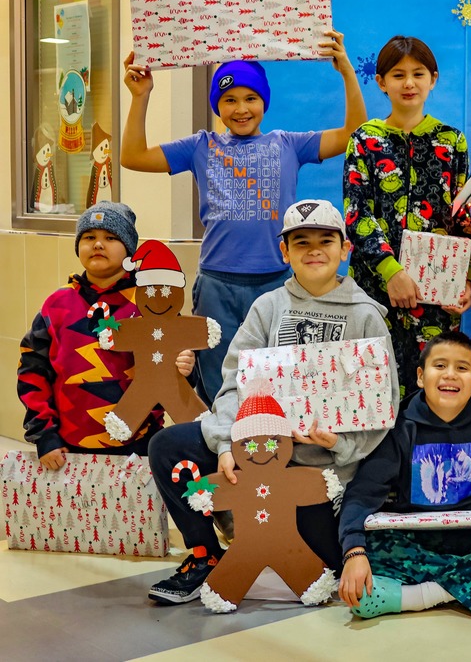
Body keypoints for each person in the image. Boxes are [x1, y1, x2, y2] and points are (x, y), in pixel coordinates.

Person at [146, 199, 397, 605]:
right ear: (285, 252)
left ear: (344, 249)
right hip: (257, 452)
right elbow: (233, 384)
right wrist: (227, 445)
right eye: (301, 242)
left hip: (320, 470)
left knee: (326, 566)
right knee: (168, 446)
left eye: (325, 240)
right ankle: (204, 555)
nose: (314, 250)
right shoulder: (267, 309)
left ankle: (268, 531)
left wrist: (340, 446)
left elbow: (381, 403)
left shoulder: (365, 316)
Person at [120, 31, 368, 405]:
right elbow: (133, 156)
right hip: (217, 285)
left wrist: (347, 72)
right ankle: (224, 456)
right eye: (229, 100)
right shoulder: (201, 146)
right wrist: (141, 97)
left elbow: (354, 134)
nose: (241, 108)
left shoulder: (289, 144)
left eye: (251, 98)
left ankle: (268, 458)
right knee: (220, 385)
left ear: (264, 102)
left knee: (276, 383)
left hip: (277, 283)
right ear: (218, 107)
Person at [336, 331, 471, 619]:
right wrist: (354, 553)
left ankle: (415, 597)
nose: (450, 375)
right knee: (372, 548)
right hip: (417, 542)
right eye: (439, 366)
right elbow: (363, 494)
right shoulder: (398, 428)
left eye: (462, 368)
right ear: (419, 376)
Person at [343, 35, 471, 398]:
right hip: (375, 290)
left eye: (418, 74)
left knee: (432, 388)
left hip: (436, 298)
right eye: (398, 74)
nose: (408, 83)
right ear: (381, 82)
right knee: (372, 384)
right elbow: (356, 214)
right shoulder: (364, 140)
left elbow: (462, 217)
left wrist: (464, 279)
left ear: (433, 79)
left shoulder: (452, 141)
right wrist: (392, 272)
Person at [17, 201, 194, 469]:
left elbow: (179, 371)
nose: (98, 244)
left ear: (129, 250)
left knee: (134, 512)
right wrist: (44, 435)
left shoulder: (153, 304)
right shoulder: (56, 305)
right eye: (89, 237)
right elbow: (33, 372)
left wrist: (187, 366)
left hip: (139, 445)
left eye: (111, 237)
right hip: (67, 448)